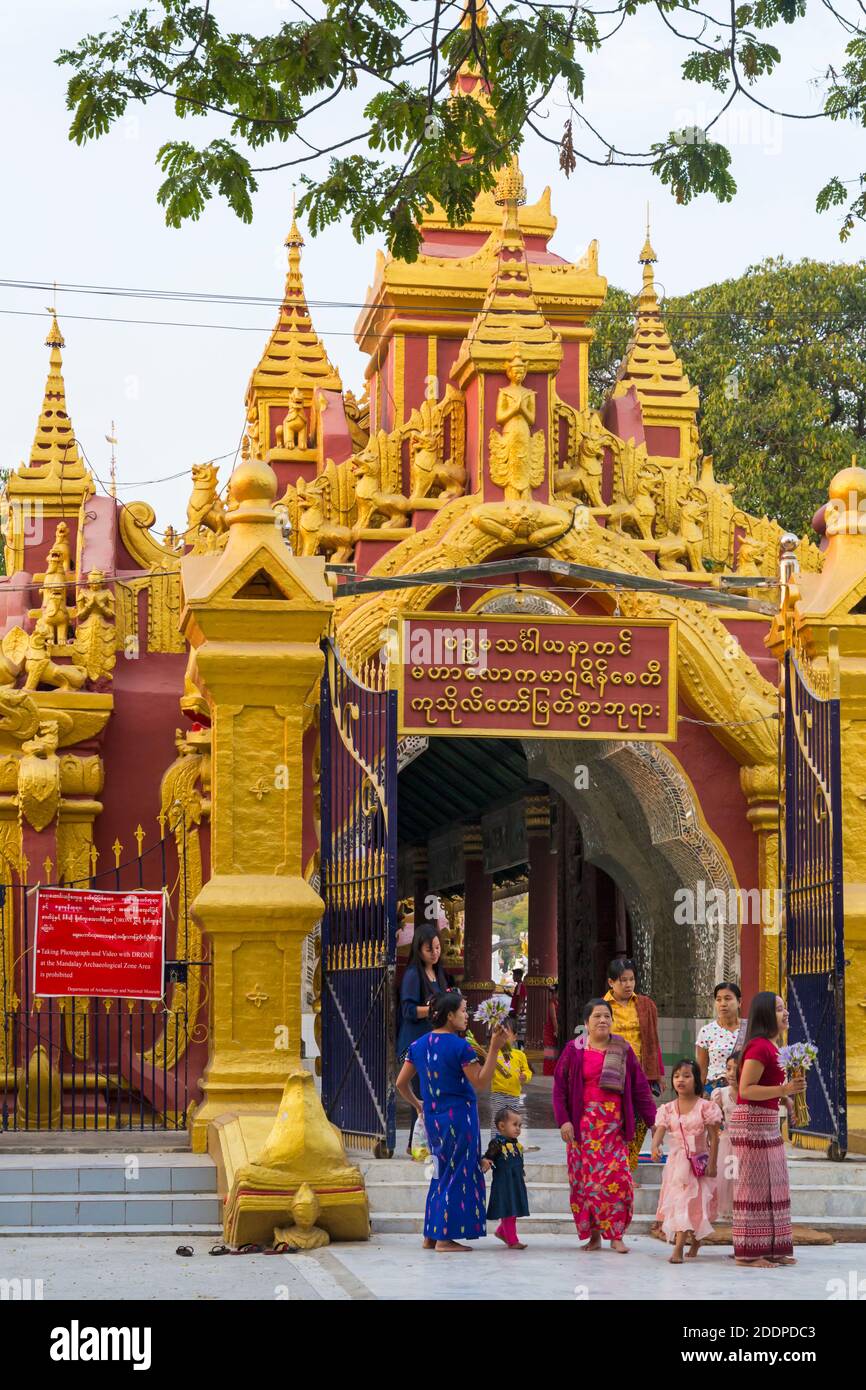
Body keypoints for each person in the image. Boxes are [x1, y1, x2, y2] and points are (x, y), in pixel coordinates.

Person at [396, 990, 506, 1253]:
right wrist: (493, 1048)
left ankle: (431, 1235)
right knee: (458, 1173)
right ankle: (445, 1238)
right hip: (459, 1118)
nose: (466, 1016)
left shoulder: (418, 1045)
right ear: (449, 1015)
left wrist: (418, 1103)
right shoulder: (460, 1047)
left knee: (441, 1172)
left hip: (434, 1119)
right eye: (463, 1011)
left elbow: (401, 1083)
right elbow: (479, 1082)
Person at [553, 997, 657, 1253]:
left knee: (618, 1180)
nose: (602, 1020)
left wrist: (656, 1122)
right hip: (582, 1128)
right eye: (597, 1016)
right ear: (586, 1023)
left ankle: (617, 1234)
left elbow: (641, 1088)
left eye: (607, 1016)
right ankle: (594, 1235)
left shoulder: (623, 1049)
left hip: (614, 1127)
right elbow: (559, 1089)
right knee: (586, 1184)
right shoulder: (574, 1049)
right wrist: (564, 1120)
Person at [730, 991, 805, 1268]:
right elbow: (746, 1089)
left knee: (775, 1184)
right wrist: (784, 1089)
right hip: (751, 1124)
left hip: (767, 1122)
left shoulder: (774, 1047)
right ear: (764, 1015)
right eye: (778, 1009)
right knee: (753, 1188)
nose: (785, 1013)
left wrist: (786, 1098)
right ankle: (748, 1254)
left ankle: (773, 1247)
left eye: (784, 1008)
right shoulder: (759, 1047)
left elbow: (767, 1087)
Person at [651, 1058, 722, 1263]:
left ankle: (687, 1244)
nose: (680, 1080)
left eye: (686, 1075)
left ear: (696, 1079)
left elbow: (714, 1137)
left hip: (698, 1163)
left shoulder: (706, 1107)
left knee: (693, 1204)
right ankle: (685, 1245)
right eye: (676, 1076)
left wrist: (713, 1164)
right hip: (676, 1164)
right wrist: (656, 1146)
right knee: (680, 1203)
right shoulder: (668, 1109)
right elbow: (660, 1130)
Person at [397, 924, 452, 1155]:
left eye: (438, 947)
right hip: (415, 1043)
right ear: (419, 950)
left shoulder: (438, 974)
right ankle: (415, 1143)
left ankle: (425, 1140)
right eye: (429, 949)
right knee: (420, 1093)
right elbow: (408, 1011)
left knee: (431, 1092)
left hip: (434, 1042)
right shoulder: (412, 974)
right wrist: (431, 1010)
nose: (435, 953)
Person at [604, 957, 664, 1170]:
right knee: (616, 1121)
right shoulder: (603, 1007)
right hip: (611, 1074)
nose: (629, 984)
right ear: (611, 982)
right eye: (623, 980)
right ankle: (614, 1165)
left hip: (640, 1073)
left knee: (640, 1122)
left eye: (631, 979)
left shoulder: (645, 1004)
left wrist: (657, 1073)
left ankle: (629, 1166)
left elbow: (652, 1040)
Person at [482, 1104, 530, 1250]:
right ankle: (512, 1240)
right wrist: (486, 1162)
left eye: (520, 1125)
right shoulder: (497, 1143)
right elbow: (488, 1157)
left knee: (513, 1210)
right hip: (504, 1184)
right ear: (502, 1126)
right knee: (508, 1210)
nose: (518, 1129)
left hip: (515, 1182)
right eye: (514, 1125)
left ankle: (501, 1232)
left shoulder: (516, 1144)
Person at [696, 982, 746, 1097]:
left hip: (742, 1089)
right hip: (713, 1091)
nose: (723, 1004)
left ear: (739, 1002)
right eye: (718, 1000)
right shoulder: (706, 1031)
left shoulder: (749, 1028)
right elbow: (702, 1070)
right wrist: (698, 1099)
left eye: (728, 999)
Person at [489, 1014, 532, 1139]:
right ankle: (495, 1145)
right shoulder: (494, 1052)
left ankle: (510, 1145)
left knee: (512, 1122)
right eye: (500, 1031)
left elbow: (527, 1071)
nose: (503, 1033)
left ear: (515, 1036)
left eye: (507, 1031)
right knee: (497, 1122)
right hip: (498, 1094)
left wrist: (525, 1076)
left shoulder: (519, 1055)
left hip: (513, 1095)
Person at [714, 1053, 740, 1223]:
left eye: (736, 1070)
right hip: (726, 1142)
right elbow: (714, 1121)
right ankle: (727, 1211)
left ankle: (743, 1210)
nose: (730, 1073)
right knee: (728, 1177)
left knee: (743, 1179)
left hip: (746, 1143)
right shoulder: (720, 1094)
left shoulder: (752, 1093)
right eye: (728, 1068)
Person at [542, 982, 560, 1076]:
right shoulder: (551, 1003)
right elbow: (554, 1019)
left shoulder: (558, 1002)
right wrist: (556, 1031)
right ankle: (548, 1072)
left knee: (555, 1052)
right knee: (550, 1052)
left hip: (554, 1029)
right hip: (550, 1030)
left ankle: (554, 1071)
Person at [511, 968, 528, 1047]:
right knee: (518, 1033)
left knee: (518, 1033)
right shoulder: (519, 985)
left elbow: (521, 1000)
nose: (513, 977)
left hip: (518, 1013)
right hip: (518, 1012)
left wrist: (518, 1013)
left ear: (518, 976)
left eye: (514, 975)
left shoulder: (520, 985)